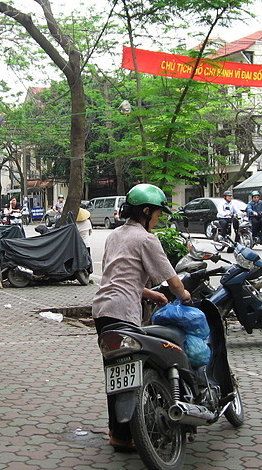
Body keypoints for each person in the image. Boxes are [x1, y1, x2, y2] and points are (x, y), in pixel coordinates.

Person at [91, 184, 191, 452]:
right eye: (157, 214)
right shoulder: (147, 239)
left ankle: (118, 433)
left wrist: (148, 293)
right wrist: (184, 296)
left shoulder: (115, 235)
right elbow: (172, 280)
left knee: (116, 375)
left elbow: (117, 275)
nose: (158, 219)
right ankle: (129, 435)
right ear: (146, 211)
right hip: (124, 312)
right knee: (130, 376)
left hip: (102, 310)